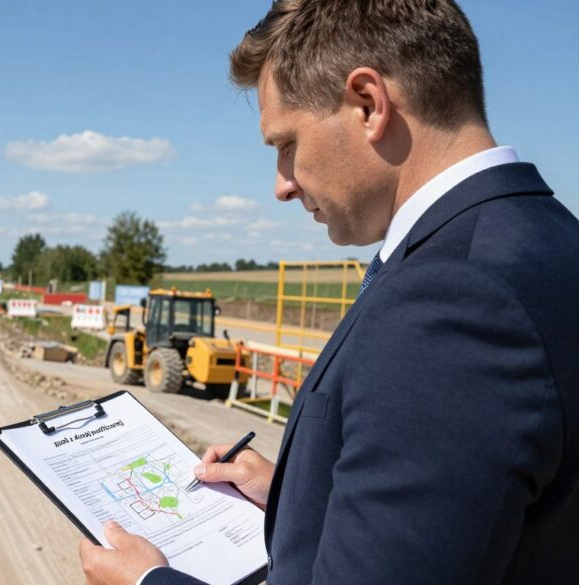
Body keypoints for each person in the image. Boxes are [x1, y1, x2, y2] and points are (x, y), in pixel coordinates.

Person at [78, 1, 579, 583]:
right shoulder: (548, 242)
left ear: (368, 104)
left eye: (285, 144)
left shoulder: (451, 303)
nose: (282, 185)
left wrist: (149, 582)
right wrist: (300, 501)